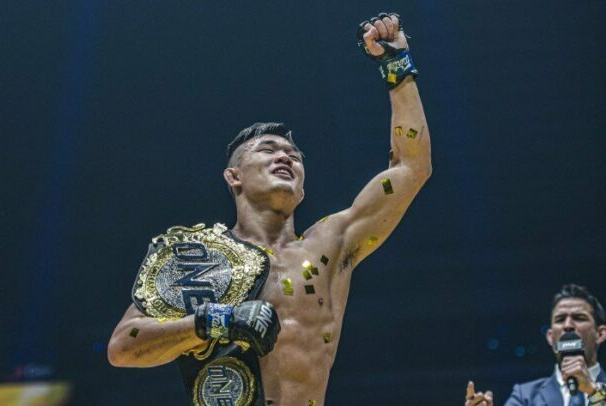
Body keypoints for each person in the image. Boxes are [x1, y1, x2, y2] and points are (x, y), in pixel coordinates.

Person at [108, 12, 432, 405]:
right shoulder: (197, 258)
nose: (285, 157)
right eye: (268, 150)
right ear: (233, 177)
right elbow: (123, 347)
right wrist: (218, 321)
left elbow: (411, 168)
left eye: (294, 156)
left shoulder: (329, 245)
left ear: (302, 186)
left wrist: (398, 67)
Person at [466, 284, 606, 406]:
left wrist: (594, 392)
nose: (568, 325)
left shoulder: (598, 390)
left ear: (600, 334)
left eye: (579, 318)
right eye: (560, 319)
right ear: (550, 337)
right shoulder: (524, 395)